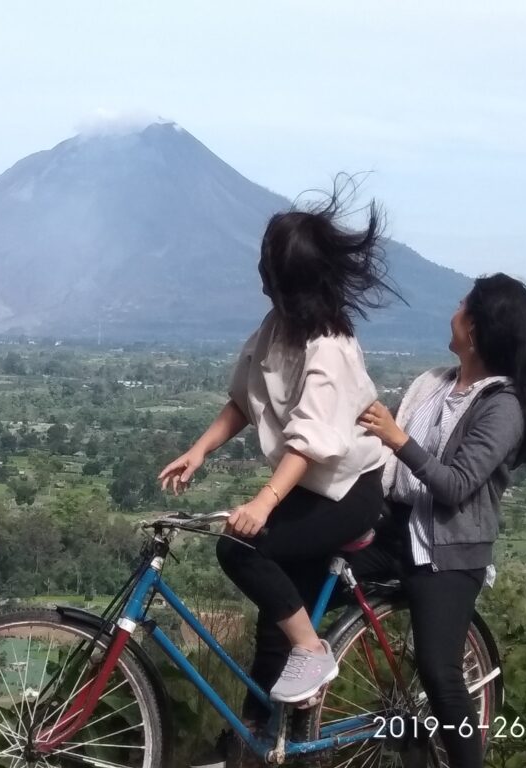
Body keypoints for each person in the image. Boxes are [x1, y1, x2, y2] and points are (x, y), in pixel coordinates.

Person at [159, 184, 396, 768]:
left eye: (268, 266)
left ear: (290, 278)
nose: (260, 275)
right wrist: (200, 450)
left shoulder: (331, 346)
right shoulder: (276, 327)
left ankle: (315, 652)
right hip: (307, 484)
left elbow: (311, 442)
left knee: (242, 551)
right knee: (273, 613)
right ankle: (261, 737)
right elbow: (245, 400)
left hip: (346, 490)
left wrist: (263, 503)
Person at [356, 273, 526, 768]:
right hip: (397, 529)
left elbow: (455, 485)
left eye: (460, 305)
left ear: (474, 328)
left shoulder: (503, 406)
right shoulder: (433, 384)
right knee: (311, 569)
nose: (451, 312)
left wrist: (396, 439)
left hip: (448, 553)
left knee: (440, 673)